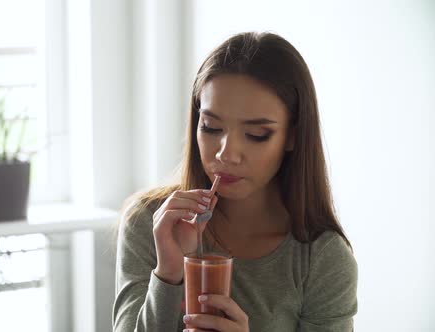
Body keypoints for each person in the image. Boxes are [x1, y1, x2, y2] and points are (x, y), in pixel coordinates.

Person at [112, 32, 358, 332]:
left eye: (256, 135)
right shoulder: (151, 222)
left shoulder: (322, 259)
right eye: (211, 127)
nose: (226, 154)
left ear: (292, 136)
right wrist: (168, 272)